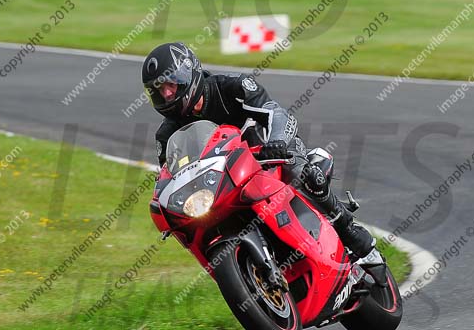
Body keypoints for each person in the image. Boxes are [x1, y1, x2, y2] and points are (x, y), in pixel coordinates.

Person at [142, 42, 379, 260]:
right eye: (159, 90)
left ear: (188, 75)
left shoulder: (232, 87)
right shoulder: (166, 135)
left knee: (300, 171)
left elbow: (276, 113)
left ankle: (348, 229)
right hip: (223, 184)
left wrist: (276, 141)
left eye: (171, 85)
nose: (167, 94)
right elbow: (168, 176)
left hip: (267, 157)